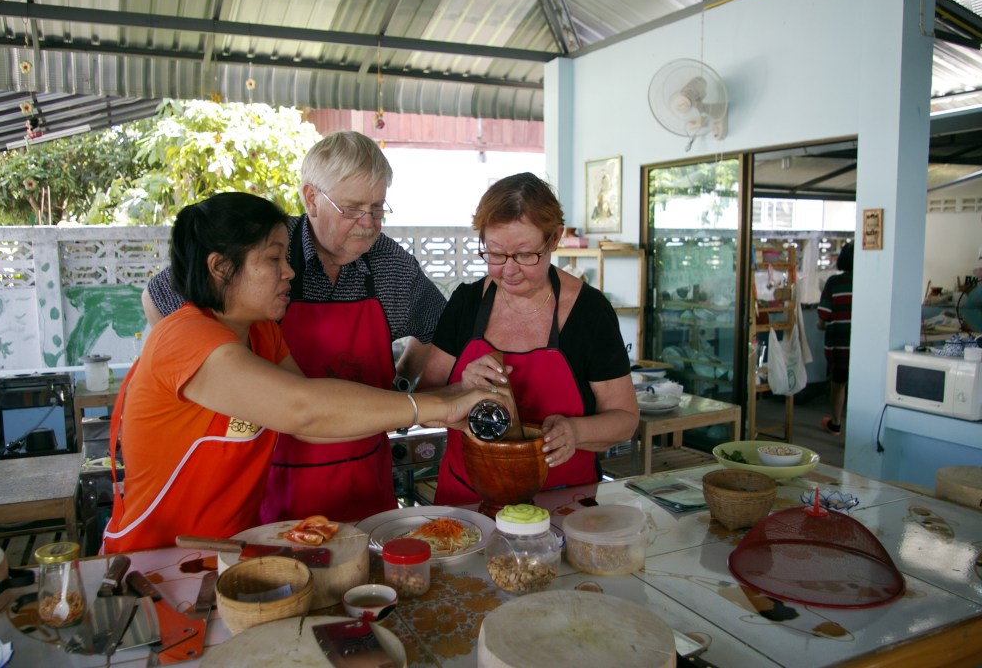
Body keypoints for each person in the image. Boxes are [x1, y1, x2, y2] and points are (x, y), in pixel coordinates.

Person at [104, 193, 504, 553]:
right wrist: (433, 407)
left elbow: (316, 425)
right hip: (158, 561)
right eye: (273, 259)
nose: (289, 272)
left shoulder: (262, 334)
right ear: (221, 268)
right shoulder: (184, 337)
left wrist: (446, 400)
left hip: (230, 553)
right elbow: (303, 409)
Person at [142, 131, 447, 523]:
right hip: (266, 483)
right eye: (352, 209)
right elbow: (159, 294)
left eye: (377, 208)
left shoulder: (389, 264)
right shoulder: (267, 247)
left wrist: (403, 383)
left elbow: (438, 325)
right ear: (312, 198)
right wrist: (217, 376)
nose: (369, 223)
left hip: (364, 478)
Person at [419, 173, 639, 506]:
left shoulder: (589, 313)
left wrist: (574, 432)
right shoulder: (466, 304)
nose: (509, 270)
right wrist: (461, 389)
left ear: (554, 239)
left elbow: (624, 419)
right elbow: (422, 406)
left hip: (562, 507)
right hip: (467, 505)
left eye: (524, 255)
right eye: (495, 253)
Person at [816, 241, 853, 436]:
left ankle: (836, 424)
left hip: (839, 344)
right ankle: (860, 432)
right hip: (863, 346)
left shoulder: (834, 282)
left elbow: (824, 315)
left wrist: (821, 324)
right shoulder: (869, 282)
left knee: (838, 383)